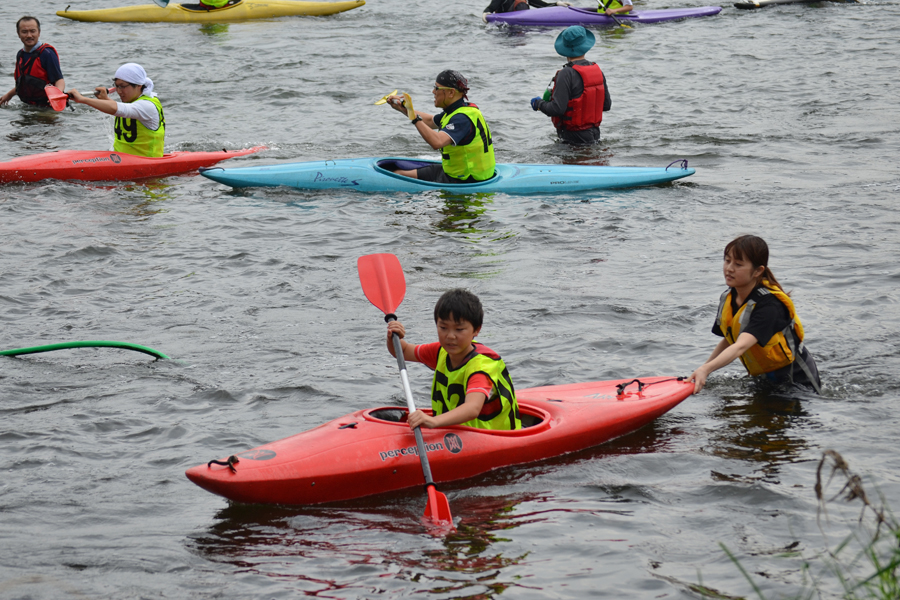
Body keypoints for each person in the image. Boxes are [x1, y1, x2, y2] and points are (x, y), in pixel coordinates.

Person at [689, 235, 822, 394]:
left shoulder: (770, 306)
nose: (729, 268)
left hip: (797, 381)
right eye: (727, 260)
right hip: (763, 378)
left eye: (738, 264)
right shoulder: (728, 298)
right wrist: (703, 370)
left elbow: (740, 346)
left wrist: (706, 369)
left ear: (758, 271)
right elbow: (730, 338)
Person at [386, 289, 522, 431]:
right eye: (443, 327)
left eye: (459, 329)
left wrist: (433, 421)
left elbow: (472, 408)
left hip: (494, 438)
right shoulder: (441, 351)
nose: (450, 336)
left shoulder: (482, 366)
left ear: (476, 330)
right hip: (456, 433)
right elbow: (402, 351)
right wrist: (393, 337)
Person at [385, 70, 495, 184]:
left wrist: (414, 118)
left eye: (436, 88)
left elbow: (437, 142)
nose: (433, 91)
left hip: (466, 180)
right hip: (456, 173)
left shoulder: (462, 118)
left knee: (397, 176)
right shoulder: (457, 111)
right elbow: (429, 120)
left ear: (451, 93)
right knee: (397, 172)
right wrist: (403, 109)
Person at [530, 26, 611, 145]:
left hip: (572, 139)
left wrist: (538, 103)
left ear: (565, 48)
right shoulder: (597, 71)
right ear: (585, 46)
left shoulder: (566, 73)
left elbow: (556, 109)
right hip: (595, 135)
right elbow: (606, 105)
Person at [68, 63, 166, 158]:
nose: (119, 91)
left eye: (122, 86)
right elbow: (122, 108)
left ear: (139, 85)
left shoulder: (147, 106)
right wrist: (105, 99)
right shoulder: (133, 102)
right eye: (117, 86)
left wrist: (83, 99)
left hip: (147, 163)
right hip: (120, 161)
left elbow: (120, 109)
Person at [0, 16, 65, 108]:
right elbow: (25, 82)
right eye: (24, 32)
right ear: (18, 34)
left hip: (47, 107)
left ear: (39, 33)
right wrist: (9, 95)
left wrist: (56, 97)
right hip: (28, 106)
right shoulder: (20, 54)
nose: (29, 35)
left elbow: (59, 80)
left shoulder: (47, 53)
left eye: (33, 31)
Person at [481, 0, 573, 23]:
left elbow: (542, 6)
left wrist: (557, 4)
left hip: (522, 27)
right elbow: (490, 8)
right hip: (504, 27)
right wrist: (485, 14)